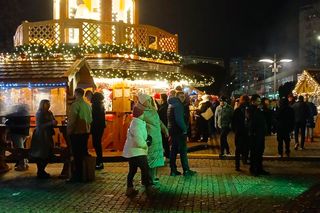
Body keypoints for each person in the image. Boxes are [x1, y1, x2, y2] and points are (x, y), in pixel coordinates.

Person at [122, 106, 157, 197]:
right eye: (143, 113)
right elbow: (138, 140)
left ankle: (129, 188)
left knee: (133, 170)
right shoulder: (137, 125)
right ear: (140, 114)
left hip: (133, 151)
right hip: (138, 151)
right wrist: (146, 144)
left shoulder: (136, 123)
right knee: (145, 169)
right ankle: (148, 188)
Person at [137, 93, 168, 184]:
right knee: (148, 158)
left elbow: (159, 121)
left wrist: (165, 130)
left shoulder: (153, 110)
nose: (150, 102)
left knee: (155, 158)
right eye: (148, 100)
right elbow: (137, 125)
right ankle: (147, 179)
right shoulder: (140, 111)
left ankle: (152, 177)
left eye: (150, 100)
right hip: (148, 138)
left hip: (156, 137)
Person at [167, 91, 196, 176]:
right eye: (181, 96)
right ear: (177, 97)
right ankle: (186, 170)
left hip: (172, 130)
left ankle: (173, 170)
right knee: (183, 151)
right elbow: (179, 120)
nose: (183, 98)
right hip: (179, 131)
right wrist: (184, 129)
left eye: (184, 96)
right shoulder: (178, 105)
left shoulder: (171, 104)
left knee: (174, 150)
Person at [67, 88, 92, 182]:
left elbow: (72, 121)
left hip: (76, 132)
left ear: (76, 93)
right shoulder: (87, 105)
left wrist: (69, 131)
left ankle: (78, 175)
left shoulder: (75, 105)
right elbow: (90, 119)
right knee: (83, 152)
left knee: (77, 155)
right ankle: (85, 174)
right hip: (85, 132)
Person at [30, 100, 57, 178]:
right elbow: (40, 125)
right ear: (42, 105)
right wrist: (51, 123)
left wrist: (54, 122)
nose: (49, 106)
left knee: (48, 152)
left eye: (49, 104)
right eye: (47, 104)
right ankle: (40, 171)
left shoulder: (49, 112)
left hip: (48, 135)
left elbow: (53, 120)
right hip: (40, 135)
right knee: (40, 153)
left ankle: (41, 171)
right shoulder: (39, 113)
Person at [248, 94, 269, 176]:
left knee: (260, 152)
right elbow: (251, 123)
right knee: (254, 152)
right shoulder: (250, 110)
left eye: (260, 101)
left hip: (260, 134)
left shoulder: (258, 109)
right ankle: (253, 169)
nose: (259, 102)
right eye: (258, 101)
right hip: (254, 135)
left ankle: (259, 168)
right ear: (253, 101)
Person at [5, 104, 30, 171]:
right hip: (24, 133)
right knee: (21, 148)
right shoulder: (26, 113)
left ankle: (22, 165)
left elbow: (7, 115)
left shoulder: (18, 114)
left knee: (19, 149)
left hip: (17, 133)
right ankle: (25, 163)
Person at [231, 95, 250, 171]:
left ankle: (239, 163)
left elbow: (233, 122)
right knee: (242, 148)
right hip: (242, 131)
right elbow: (233, 121)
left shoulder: (242, 109)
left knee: (241, 148)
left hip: (241, 132)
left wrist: (235, 130)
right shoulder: (239, 110)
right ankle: (239, 163)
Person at [91, 92, 106, 170]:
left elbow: (93, 117)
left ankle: (99, 161)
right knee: (97, 144)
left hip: (96, 127)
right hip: (100, 127)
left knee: (96, 143)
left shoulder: (95, 106)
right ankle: (99, 161)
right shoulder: (101, 105)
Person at [157, 93, 170, 162]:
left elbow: (161, 115)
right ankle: (166, 154)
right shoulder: (166, 105)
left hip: (163, 125)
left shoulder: (164, 106)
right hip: (164, 124)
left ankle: (167, 154)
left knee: (164, 141)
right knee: (164, 141)